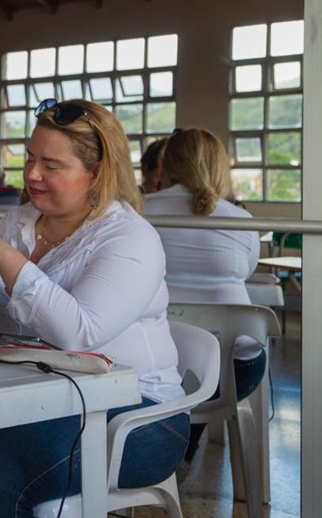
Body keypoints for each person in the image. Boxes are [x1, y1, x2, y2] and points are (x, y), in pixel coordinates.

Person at [0, 99, 188, 517]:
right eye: (31, 159)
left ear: (96, 173)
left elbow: (80, 333)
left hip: (136, 414)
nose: (33, 174)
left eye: (51, 166)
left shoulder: (130, 239)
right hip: (31, 395)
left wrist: (6, 259)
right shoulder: (16, 223)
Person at [143, 127, 263, 462]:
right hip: (234, 372)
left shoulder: (137, 212)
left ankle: (172, 448)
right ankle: (183, 448)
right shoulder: (242, 221)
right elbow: (247, 272)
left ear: (165, 165)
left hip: (156, 364)